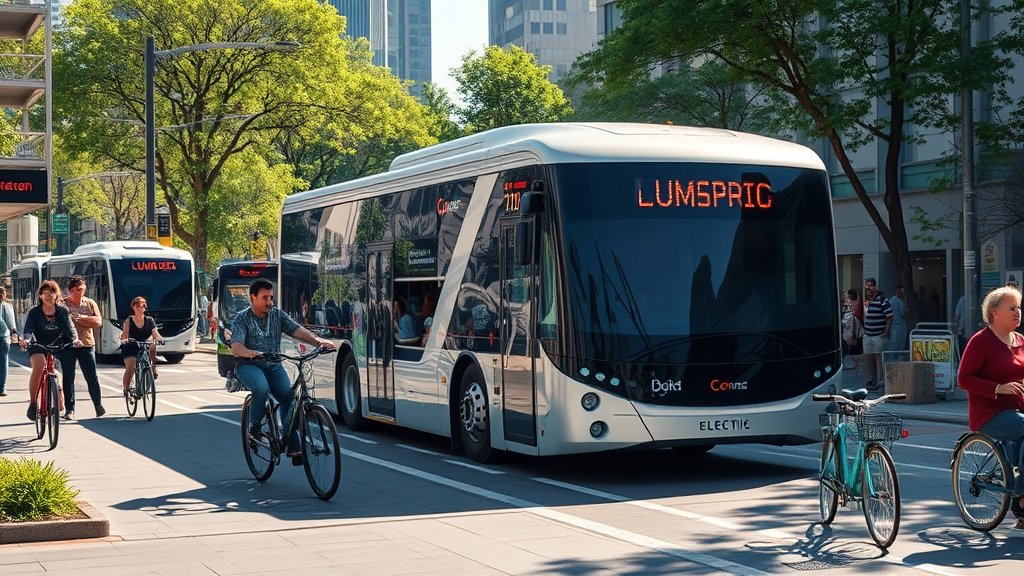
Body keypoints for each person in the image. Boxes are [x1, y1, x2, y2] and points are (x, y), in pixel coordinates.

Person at [231, 279, 335, 458]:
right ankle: (254, 429)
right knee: (261, 388)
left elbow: (297, 330)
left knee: (289, 399)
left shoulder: (277, 315)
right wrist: (250, 352)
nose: (269, 302)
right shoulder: (242, 318)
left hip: (274, 365)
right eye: (264, 298)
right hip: (249, 365)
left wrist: (318, 342)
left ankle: (293, 446)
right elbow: (236, 347)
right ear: (252, 298)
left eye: (271, 297)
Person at [956, 285, 1024, 529]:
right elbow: (963, 379)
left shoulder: (1021, 341)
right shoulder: (980, 341)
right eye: (1012, 308)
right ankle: (1021, 496)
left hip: (1018, 412)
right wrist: (998, 388)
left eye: (1019, 307)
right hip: (989, 414)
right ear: (995, 313)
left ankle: (1019, 498)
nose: (1018, 312)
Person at [20, 280, 81, 421]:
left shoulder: (62, 311)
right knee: (40, 365)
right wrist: (27, 339)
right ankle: (33, 403)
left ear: (56, 295)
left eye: (51, 293)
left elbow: (70, 328)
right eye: (45, 293)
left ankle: (57, 397)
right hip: (37, 345)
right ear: (40, 296)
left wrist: (75, 339)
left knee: (59, 372)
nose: (48, 296)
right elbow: (28, 330)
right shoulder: (35, 312)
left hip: (58, 345)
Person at [62, 276, 106, 419]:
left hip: (87, 343)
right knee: (68, 377)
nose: (80, 292)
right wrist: (87, 320)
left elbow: (98, 321)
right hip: (68, 344)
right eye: (77, 290)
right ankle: (70, 409)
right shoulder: (62, 304)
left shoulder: (90, 303)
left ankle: (98, 405)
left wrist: (79, 318)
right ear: (70, 291)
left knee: (92, 376)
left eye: (82, 289)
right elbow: (63, 323)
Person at [119, 296, 162, 395]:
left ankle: (153, 367)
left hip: (143, 345)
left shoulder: (149, 320)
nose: (140, 308)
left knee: (153, 345)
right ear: (133, 307)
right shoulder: (129, 320)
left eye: (143, 306)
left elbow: (156, 334)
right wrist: (125, 339)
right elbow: (124, 334)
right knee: (131, 368)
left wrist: (159, 339)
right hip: (130, 346)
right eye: (138, 306)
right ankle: (126, 388)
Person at [862, 278, 892, 391]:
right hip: (868, 333)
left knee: (879, 358)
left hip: (879, 334)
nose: (868, 288)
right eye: (867, 286)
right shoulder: (867, 300)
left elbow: (889, 316)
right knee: (868, 357)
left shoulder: (882, 299)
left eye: (870, 286)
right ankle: (868, 381)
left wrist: (886, 331)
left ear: (875, 286)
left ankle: (879, 382)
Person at [842, 289, 864, 374]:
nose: (846, 296)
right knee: (850, 347)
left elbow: (854, 319)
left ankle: (857, 367)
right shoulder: (849, 304)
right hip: (848, 327)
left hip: (854, 328)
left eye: (848, 295)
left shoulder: (855, 304)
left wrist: (853, 332)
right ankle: (855, 366)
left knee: (854, 348)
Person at [0, 286, 15, 396]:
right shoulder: (7, 306)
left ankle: (3, 387)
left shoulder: (7, 306)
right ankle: (2, 387)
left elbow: (11, 324)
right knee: (3, 362)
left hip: (3, 337)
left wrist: (13, 332)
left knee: (3, 362)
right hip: (4, 337)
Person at [887, 284, 909, 352]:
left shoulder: (891, 300)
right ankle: (895, 360)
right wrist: (908, 311)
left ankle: (891, 360)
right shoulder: (899, 301)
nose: (903, 294)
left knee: (893, 345)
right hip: (900, 327)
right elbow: (903, 314)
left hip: (894, 326)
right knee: (899, 346)